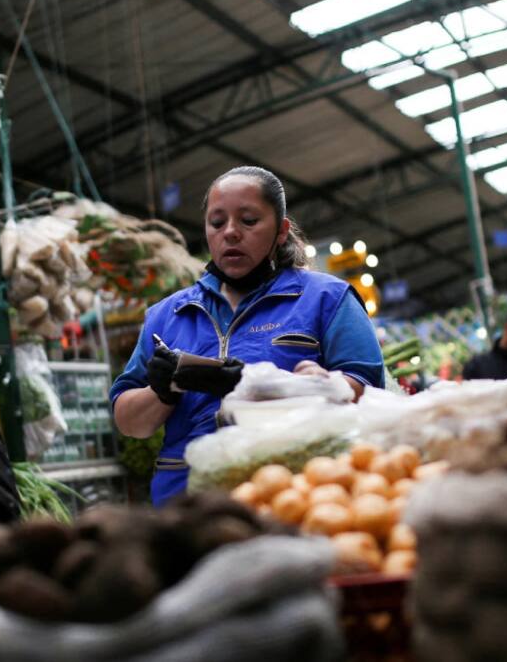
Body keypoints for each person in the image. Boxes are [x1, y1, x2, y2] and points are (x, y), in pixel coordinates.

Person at [110, 166, 385, 506]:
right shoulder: (166, 315)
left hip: (291, 498)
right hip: (185, 507)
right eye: (217, 222)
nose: (231, 233)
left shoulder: (327, 299)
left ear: (281, 231)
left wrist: (307, 386)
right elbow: (129, 422)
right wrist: (161, 391)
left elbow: (371, 395)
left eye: (249, 221)